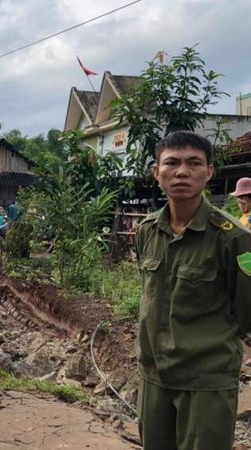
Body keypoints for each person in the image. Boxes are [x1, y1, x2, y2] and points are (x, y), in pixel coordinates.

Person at [135, 131, 251, 449]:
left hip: (205, 382)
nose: (182, 171)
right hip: (154, 376)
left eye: (194, 163)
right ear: (156, 172)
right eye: (171, 162)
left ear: (209, 172)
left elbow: (246, 311)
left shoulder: (233, 238)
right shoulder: (147, 231)